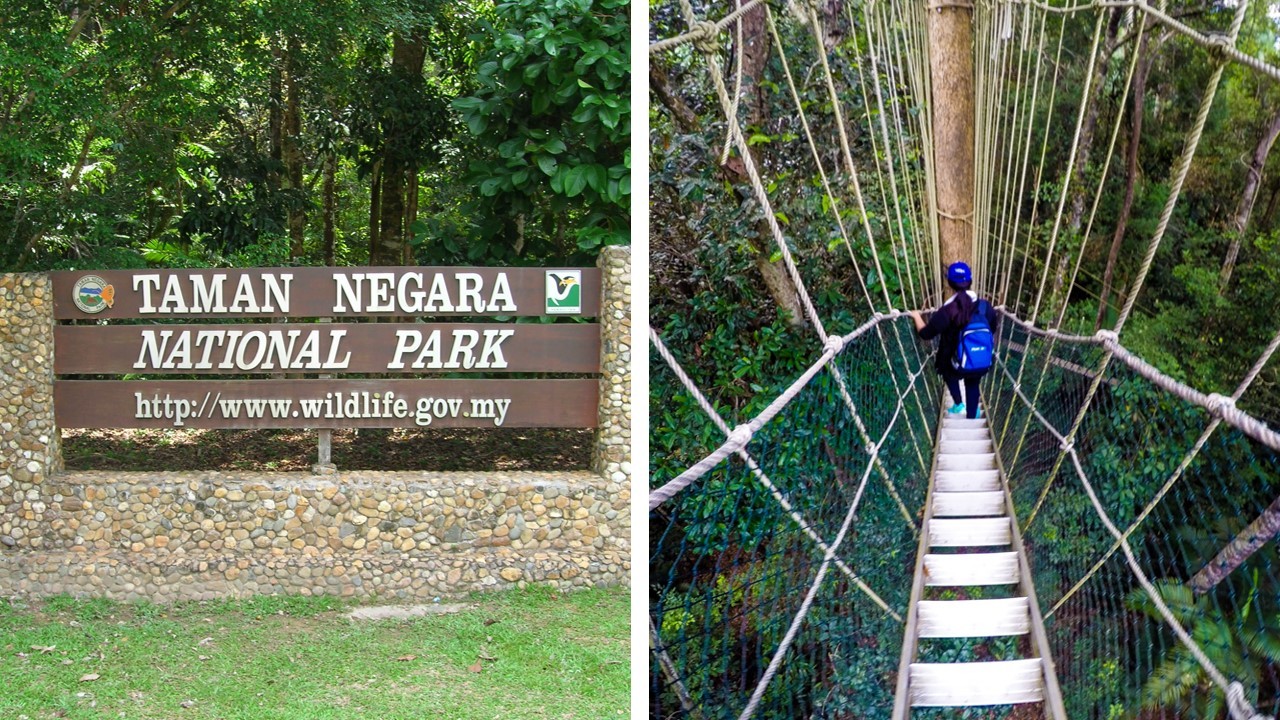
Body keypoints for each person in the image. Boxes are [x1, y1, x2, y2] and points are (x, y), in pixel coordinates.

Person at [907, 262, 997, 419]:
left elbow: (926, 334)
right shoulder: (985, 307)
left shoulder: (947, 311)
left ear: (949, 283)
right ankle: (972, 414)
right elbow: (993, 328)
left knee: (944, 367)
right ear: (971, 280)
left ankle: (958, 404)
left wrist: (916, 316)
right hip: (978, 361)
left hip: (953, 363)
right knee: (973, 381)